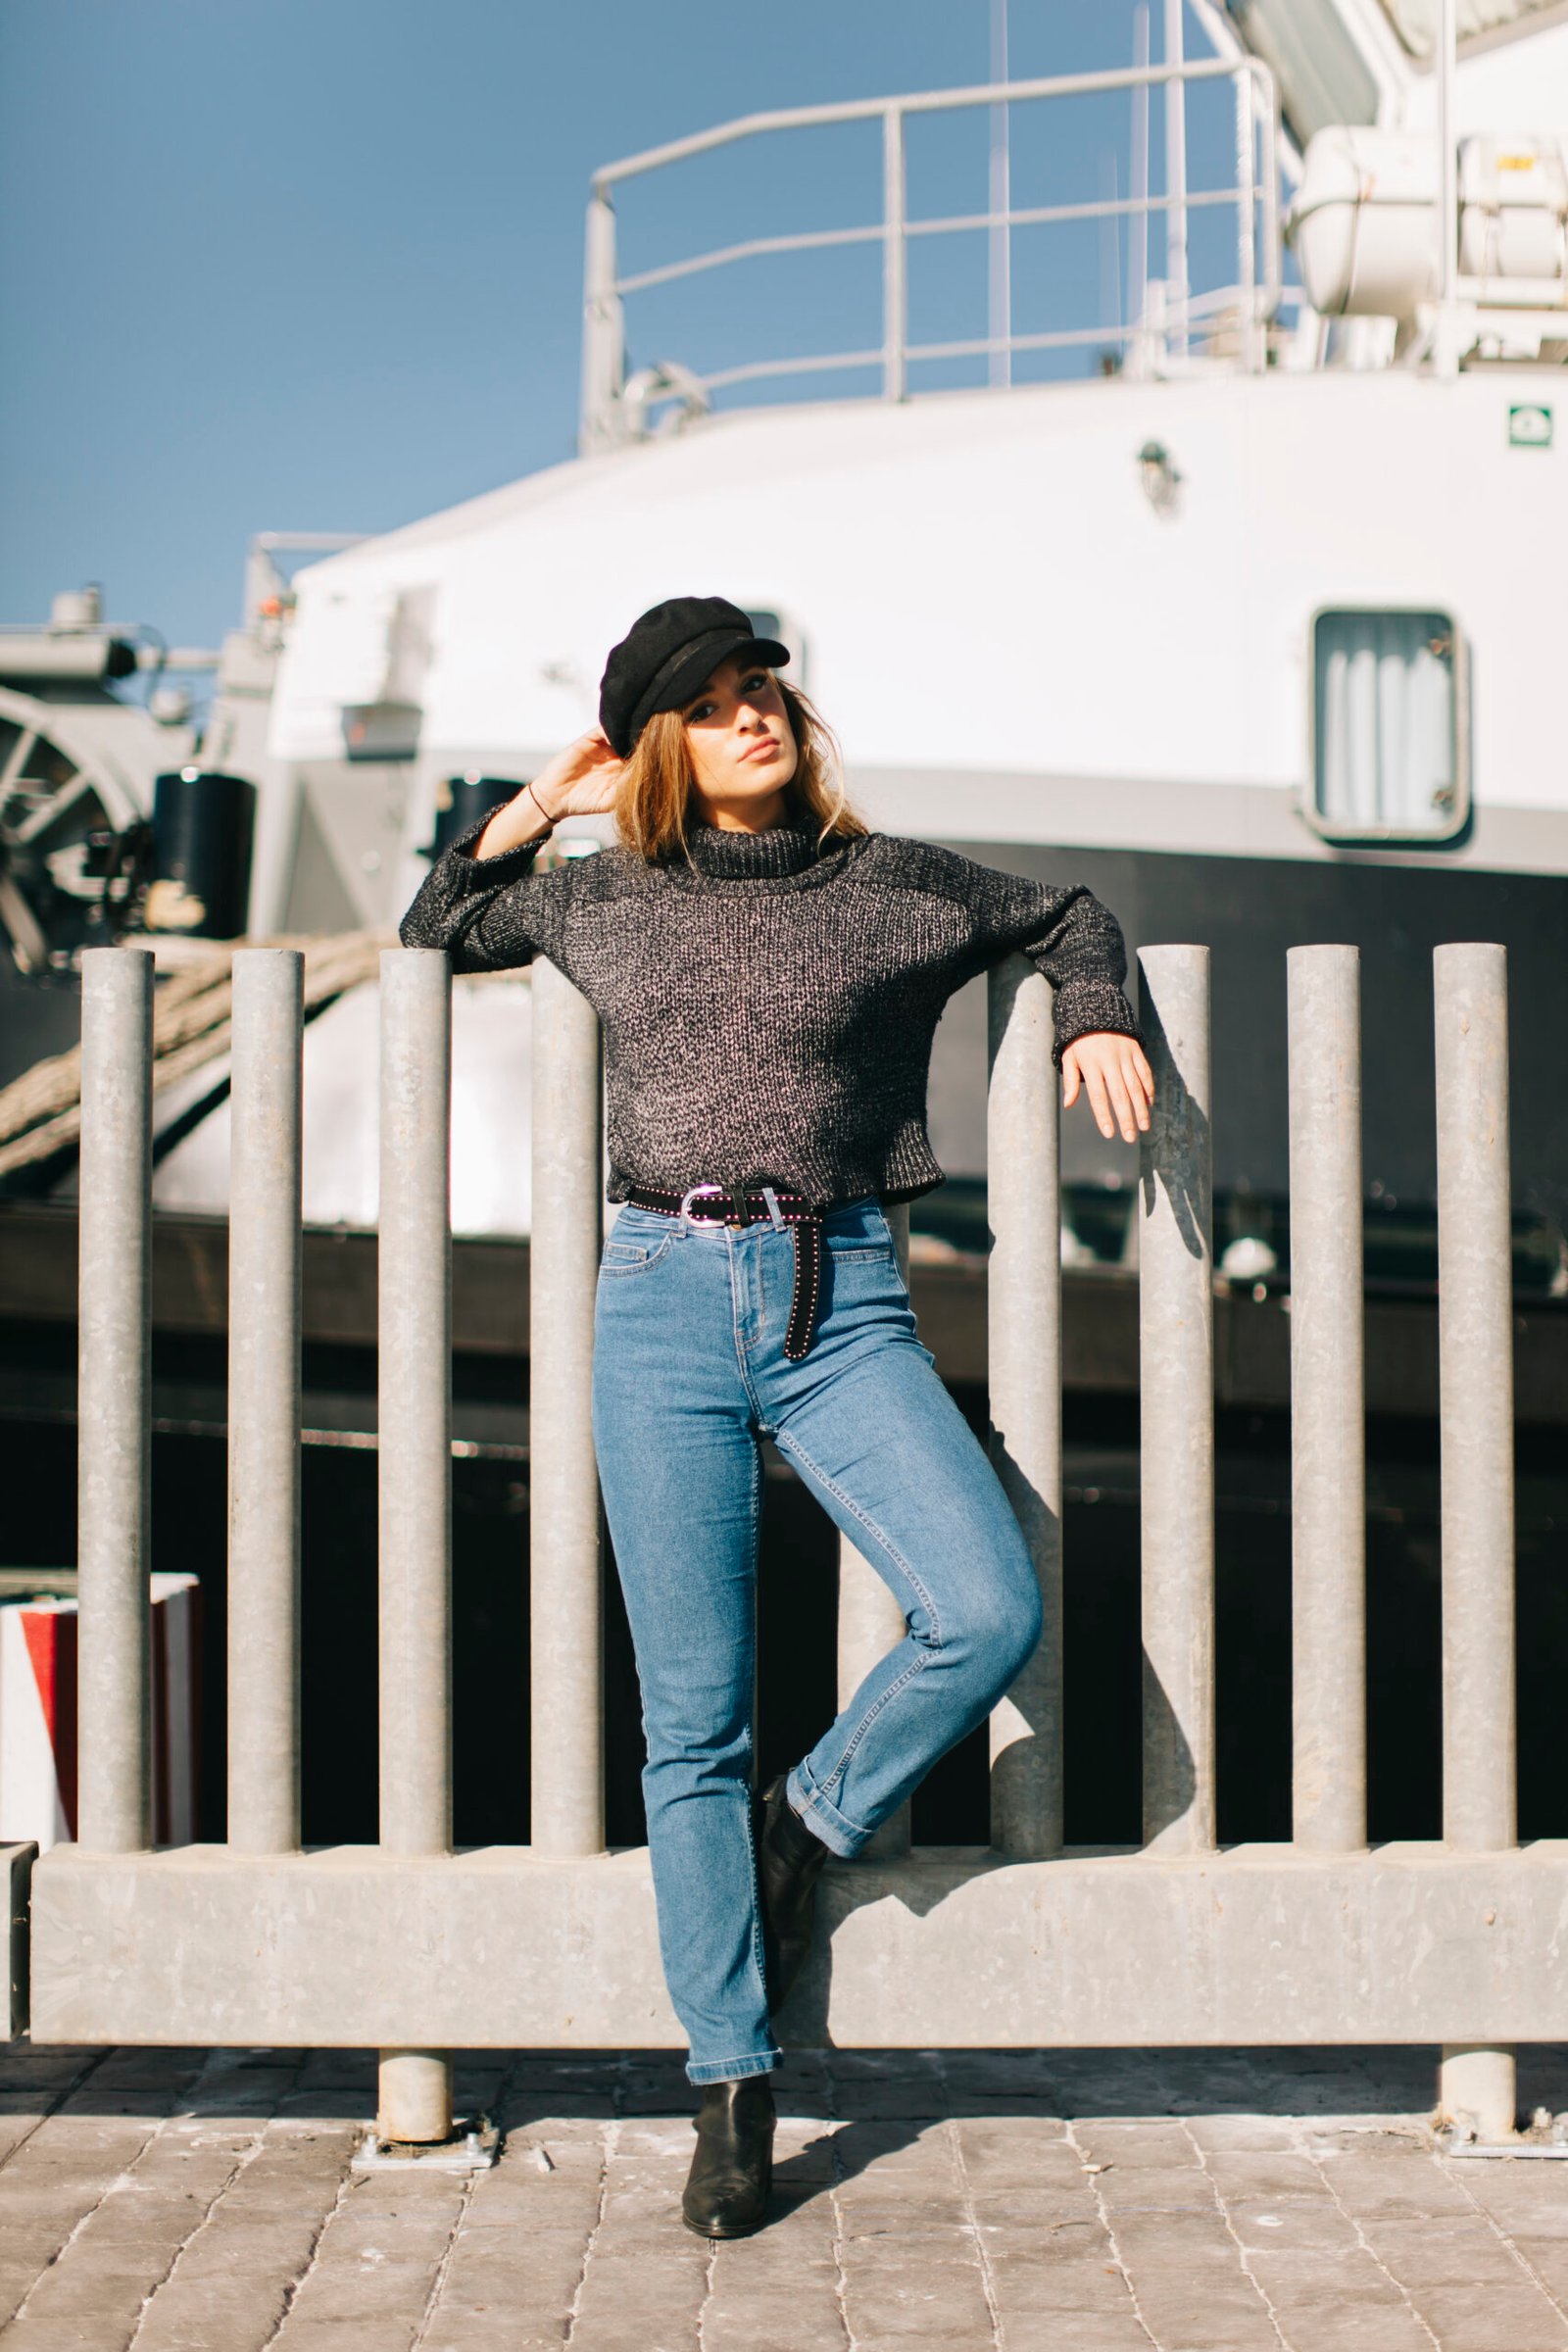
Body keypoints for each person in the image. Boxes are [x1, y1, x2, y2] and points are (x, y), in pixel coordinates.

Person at [399, 595, 1154, 2238]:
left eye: (768, 696)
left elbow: (1072, 913)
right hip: (662, 1293)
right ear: (662, 742)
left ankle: (809, 1821)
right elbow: (440, 922)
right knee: (693, 1723)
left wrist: (1098, 1008)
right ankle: (731, 2084)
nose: (757, 718)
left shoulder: (892, 888)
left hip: (842, 1301)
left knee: (987, 1605)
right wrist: (541, 801)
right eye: (719, 703)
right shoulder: (604, 898)